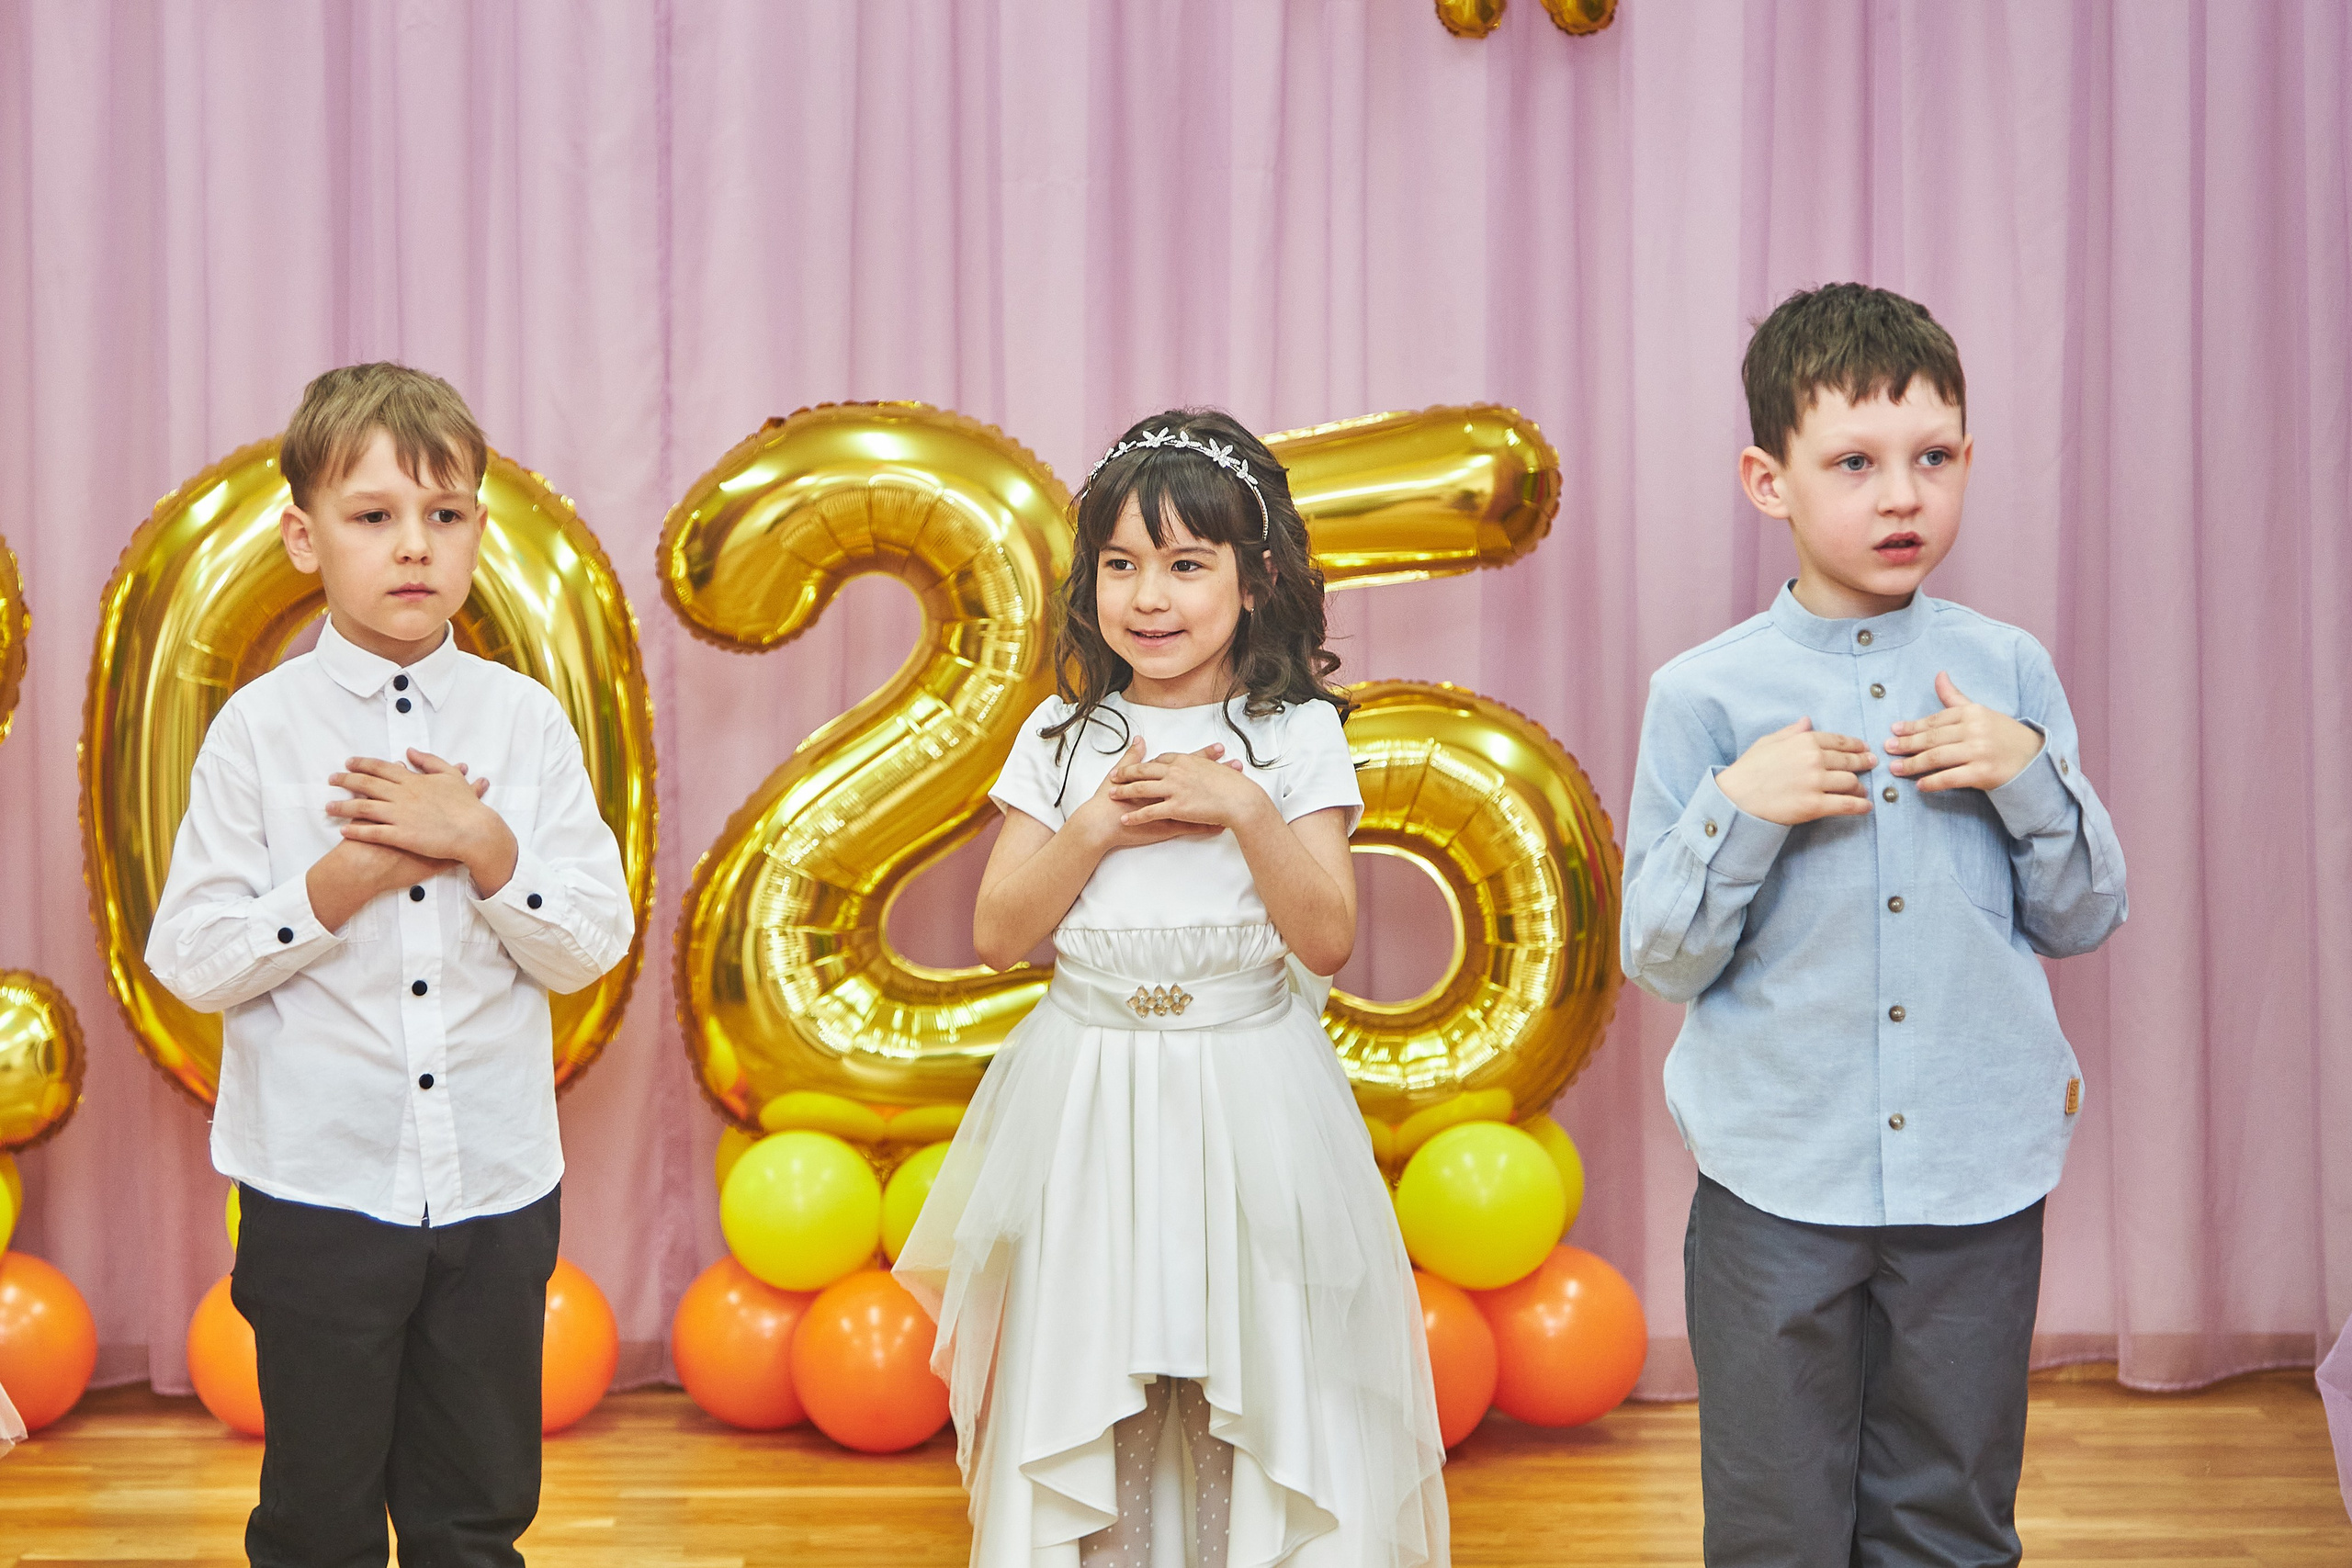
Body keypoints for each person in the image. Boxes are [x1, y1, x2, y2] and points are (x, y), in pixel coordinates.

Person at [1621, 283, 2128, 1565]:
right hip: (1772, 1177)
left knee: (1950, 1514)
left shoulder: (2007, 670)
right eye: (1855, 462)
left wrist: (2026, 773)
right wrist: (1741, 811)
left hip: (1977, 1171)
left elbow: (2084, 913)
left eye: (1934, 458)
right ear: (1767, 479)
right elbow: (1663, 955)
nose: (1902, 496)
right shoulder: (1702, 694)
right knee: (1775, 1520)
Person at [894, 411, 1448, 1568]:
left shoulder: (1293, 734)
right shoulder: (1060, 735)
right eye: (1120, 563)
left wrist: (1245, 807)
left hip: (1246, 1093)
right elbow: (1000, 933)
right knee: (1101, 1367)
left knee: (1252, 1370)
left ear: (1254, 583)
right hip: (1091, 1090)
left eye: (1186, 564)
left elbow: (1330, 935)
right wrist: (1091, 824)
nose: (1149, 594)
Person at [146, 363, 634, 1567]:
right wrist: (342, 880)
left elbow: (592, 939)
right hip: (317, 1185)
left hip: (495, 1185)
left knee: (475, 1511)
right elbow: (192, 956)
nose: (413, 545)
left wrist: (487, 851)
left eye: (445, 513)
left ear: (477, 528)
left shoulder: (524, 721)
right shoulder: (257, 731)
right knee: (316, 1517)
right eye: (373, 516)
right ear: (302, 538)